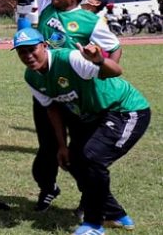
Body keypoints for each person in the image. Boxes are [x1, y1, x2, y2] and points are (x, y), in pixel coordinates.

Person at [13, 28, 149, 234]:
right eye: (22, 52)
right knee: (74, 162)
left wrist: (98, 60)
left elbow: (116, 71)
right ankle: (115, 214)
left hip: (125, 110)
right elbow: (52, 108)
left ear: (44, 46)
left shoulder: (71, 59)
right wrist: (62, 146)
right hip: (95, 116)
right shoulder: (32, 77)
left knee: (92, 158)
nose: (28, 56)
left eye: (32, 49)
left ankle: (94, 223)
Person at [30, 0, 122, 211]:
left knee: (80, 150)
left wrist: (102, 73)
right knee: (47, 148)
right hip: (47, 85)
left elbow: (115, 48)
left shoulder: (89, 20)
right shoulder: (47, 6)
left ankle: (88, 199)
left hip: (76, 92)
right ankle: (47, 189)